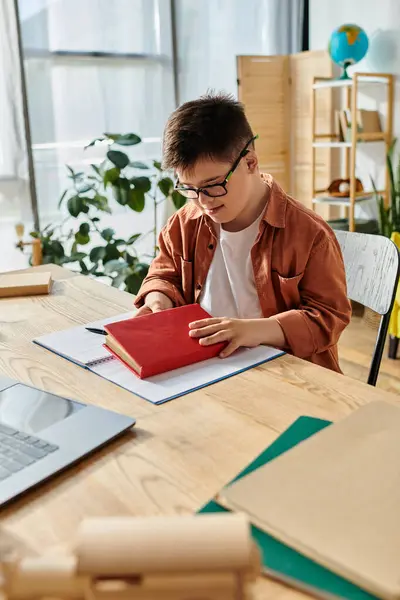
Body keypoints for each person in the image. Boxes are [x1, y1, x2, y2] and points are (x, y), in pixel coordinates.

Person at [134, 92, 351, 372]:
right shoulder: (185, 223)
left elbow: (329, 319)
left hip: (288, 374)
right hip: (204, 367)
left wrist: (254, 330)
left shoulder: (309, 234)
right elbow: (164, 274)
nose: (203, 201)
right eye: (190, 188)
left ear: (250, 162)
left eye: (213, 185)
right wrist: (158, 300)